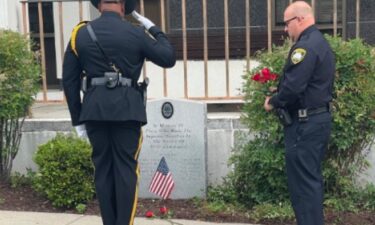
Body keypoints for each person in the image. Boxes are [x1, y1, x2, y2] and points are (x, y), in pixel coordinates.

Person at [62, 0, 176, 224]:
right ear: (123, 6)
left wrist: (77, 120)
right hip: (127, 111)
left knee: (103, 170)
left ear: (99, 6)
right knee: (126, 171)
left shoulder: (80, 34)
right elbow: (168, 58)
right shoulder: (135, 32)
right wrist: (153, 28)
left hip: (94, 112)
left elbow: (69, 80)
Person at [263, 1, 335, 225]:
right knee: (310, 181)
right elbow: (311, 84)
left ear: (300, 19)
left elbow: (293, 89)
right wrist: (282, 88)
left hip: (305, 124)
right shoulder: (320, 43)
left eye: (287, 23)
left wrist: (273, 101)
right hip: (316, 120)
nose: (286, 29)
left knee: (303, 187)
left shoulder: (304, 47)